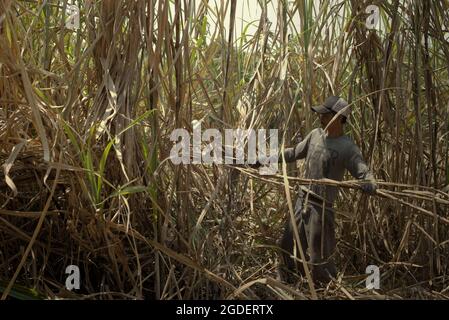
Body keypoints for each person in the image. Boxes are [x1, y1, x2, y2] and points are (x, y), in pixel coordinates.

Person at [273, 96, 377, 285]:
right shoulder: (315, 135)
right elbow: (293, 153)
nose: (320, 119)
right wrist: (265, 159)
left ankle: (325, 289)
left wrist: (369, 181)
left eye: (325, 115)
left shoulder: (348, 148)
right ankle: (288, 284)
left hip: (321, 209)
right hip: (301, 200)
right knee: (287, 244)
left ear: (338, 117)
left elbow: (362, 170)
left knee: (318, 257)